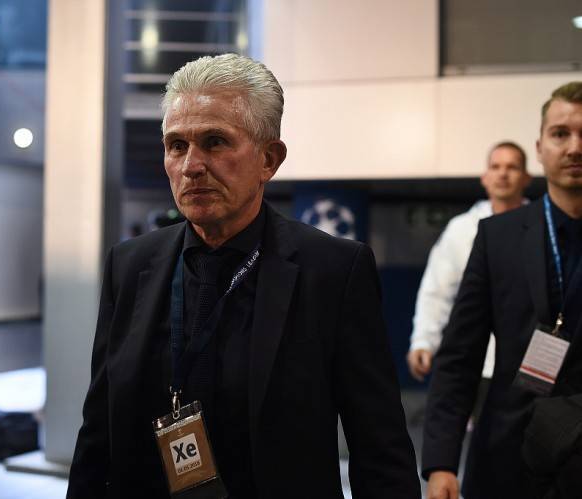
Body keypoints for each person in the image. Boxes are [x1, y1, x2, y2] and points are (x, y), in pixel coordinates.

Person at [66, 54, 420, 499]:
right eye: (177, 145)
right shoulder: (131, 265)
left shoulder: (332, 271)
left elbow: (379, 447)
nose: (192, 165)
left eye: (215, 142)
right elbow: (99, 431)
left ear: (269, 159)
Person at [423, 81, 582, 499]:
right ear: (541, 147)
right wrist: (441, 461)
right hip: (509, 451)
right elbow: (460, 355)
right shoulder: (497, 236)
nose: (574, 148)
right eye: (561, 134)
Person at [408, 142, 531, 388]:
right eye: (495, 167)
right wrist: (424, 341)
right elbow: (437, 290)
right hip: (474, 363)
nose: (503, 174)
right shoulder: (462, 228)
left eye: (512, 167)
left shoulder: (543, 225)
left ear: (526, 178)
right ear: (485, 177)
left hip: (530, 365)